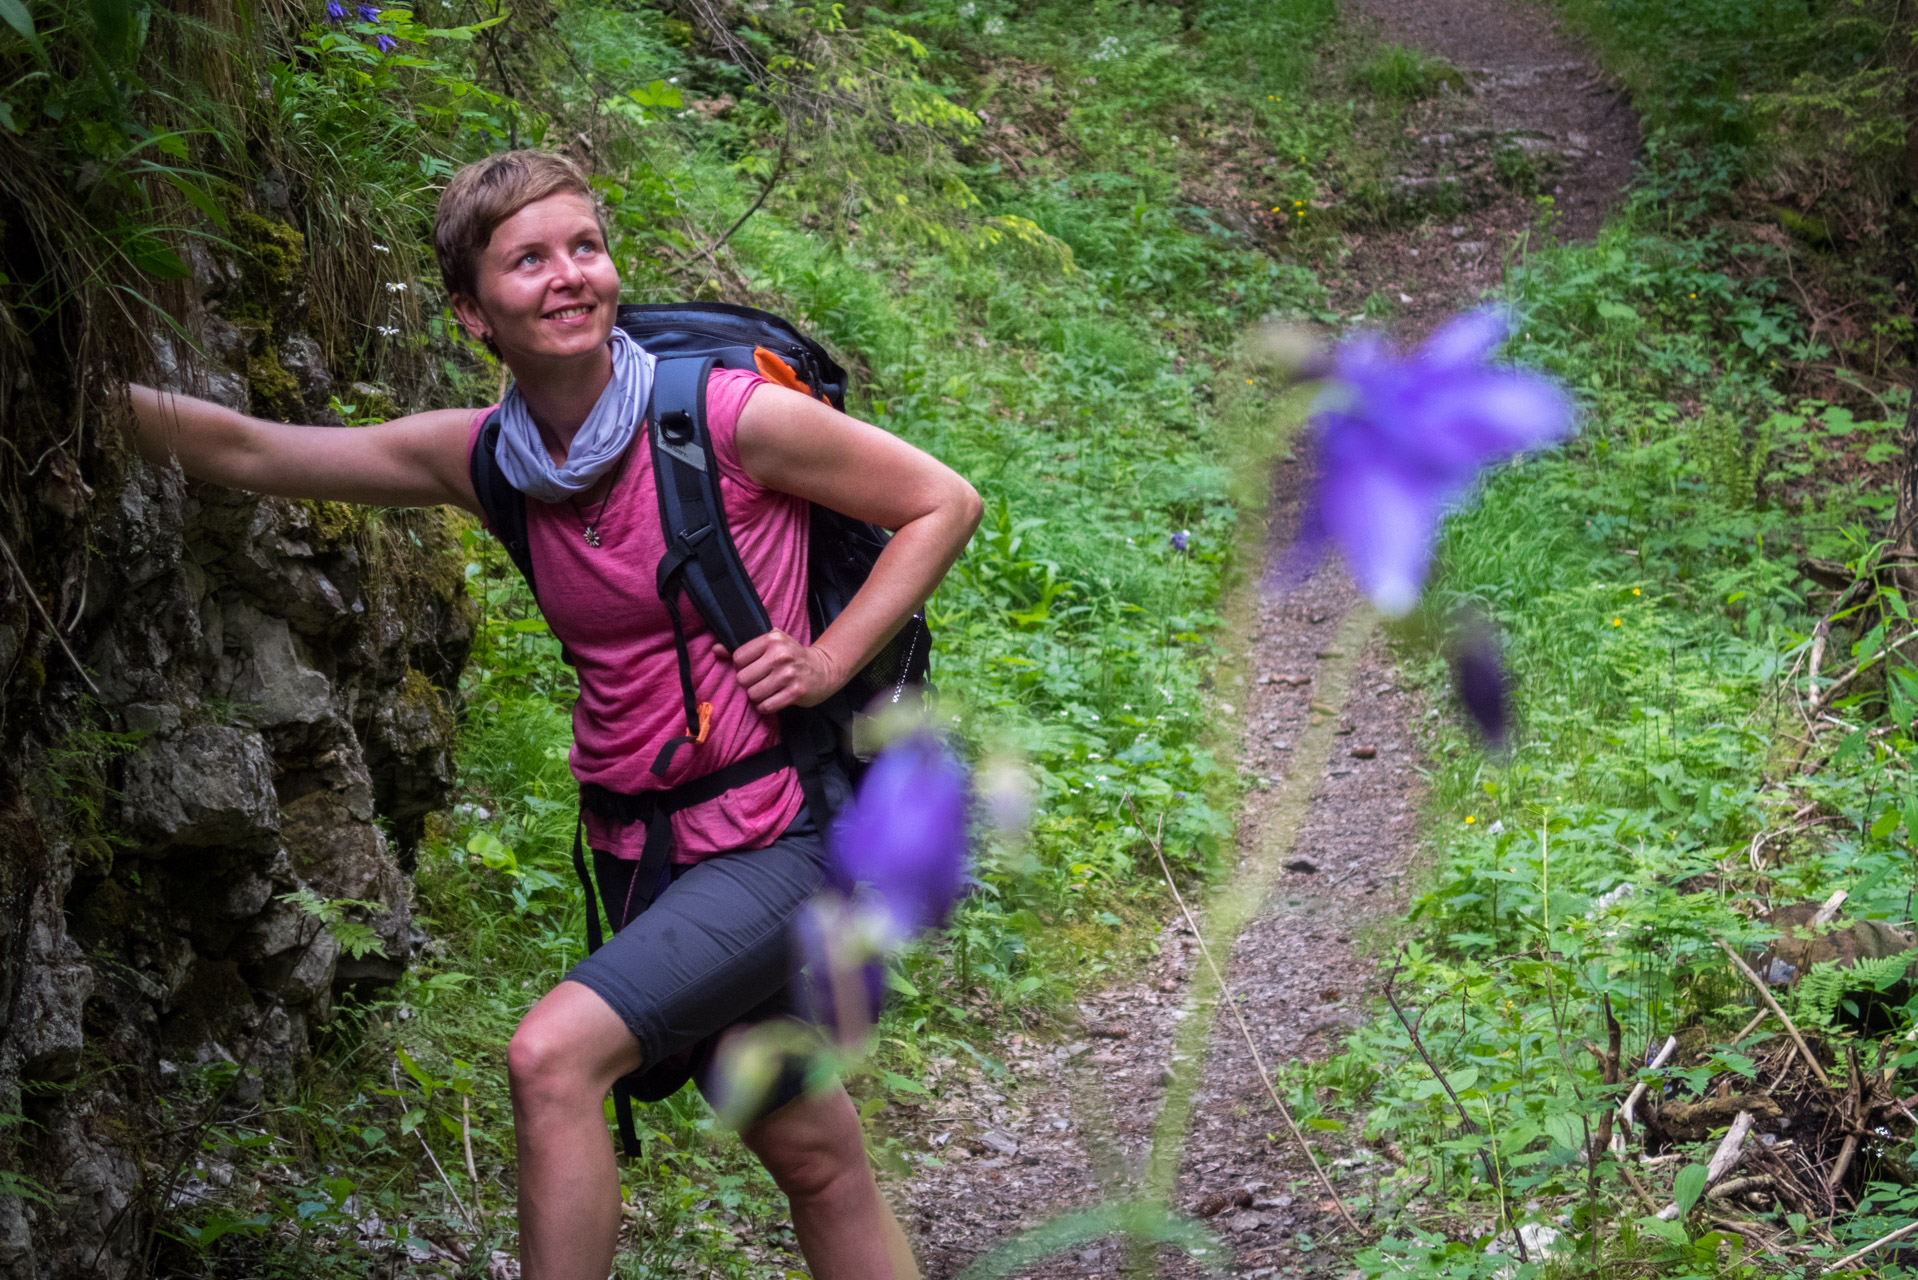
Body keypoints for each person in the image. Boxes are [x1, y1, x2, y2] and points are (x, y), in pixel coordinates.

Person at [128, 149, 982, 1280]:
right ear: (473, 314)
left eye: (584, 246)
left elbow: (941, 499)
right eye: (528, 260)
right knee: (813, 1153)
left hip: (787, 830)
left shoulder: (727, 418)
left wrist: (825, 659)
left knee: (551, 1056)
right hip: (646, 851)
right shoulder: (488, 462)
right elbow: (247, 449)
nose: (570, 275)